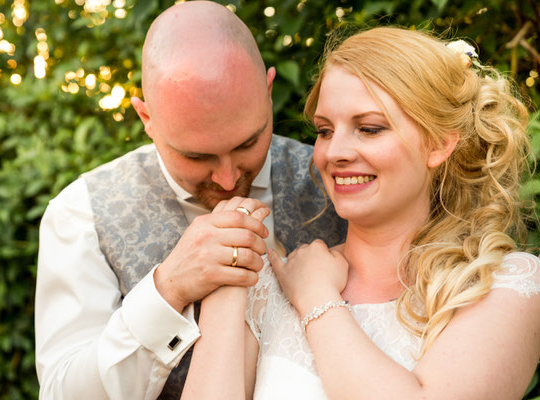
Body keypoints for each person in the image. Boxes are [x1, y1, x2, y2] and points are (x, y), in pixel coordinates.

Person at [181, 26, 540, 399]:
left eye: (368, 128)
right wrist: (229, 282)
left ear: (439, 144)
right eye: (324, 130)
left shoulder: (503, 285)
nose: (334, 152)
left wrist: (317, 297)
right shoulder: (269, 288)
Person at [34, 1, 347, 399]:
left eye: (248, 143)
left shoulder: (338, 182)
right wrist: (168, 290)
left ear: (268, 93)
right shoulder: (81, 214)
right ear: (147, 119)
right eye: (196, 156)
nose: (228, 177)